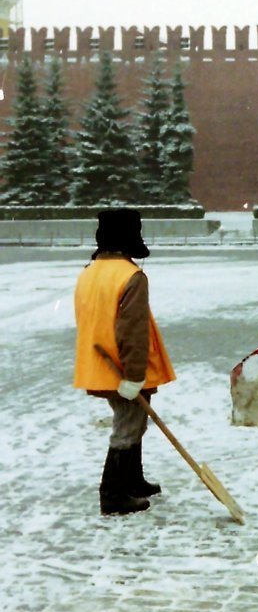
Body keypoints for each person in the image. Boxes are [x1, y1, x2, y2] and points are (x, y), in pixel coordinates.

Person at [74, 209, 176, 516]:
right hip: (124, 368)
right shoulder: (131, 276)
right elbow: (132, 331)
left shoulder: (90, 271)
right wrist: (133, 375)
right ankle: (114, 494)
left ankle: (133, 480)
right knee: (127, 426)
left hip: (100, 364)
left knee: (133, 422)